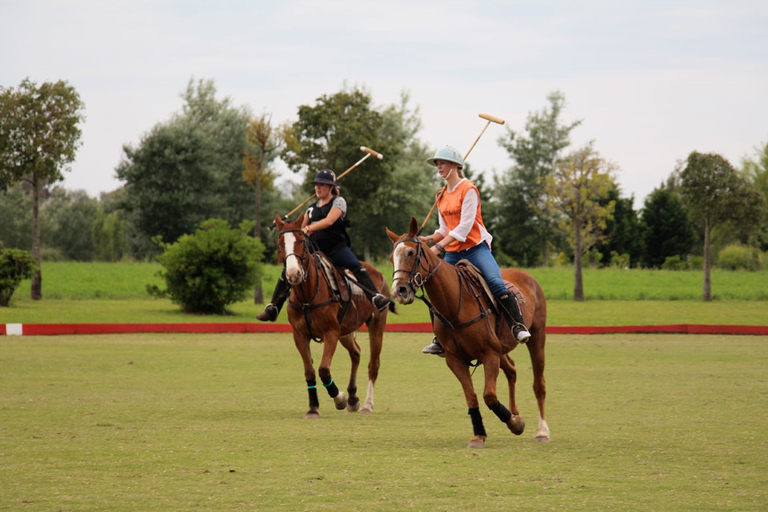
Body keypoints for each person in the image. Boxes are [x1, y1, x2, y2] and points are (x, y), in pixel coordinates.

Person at [420, 146, 531, 355]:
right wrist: (427, 239)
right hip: (452, 251)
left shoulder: (468, 189)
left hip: (474, 249)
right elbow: (444, 230)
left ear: (454, 165)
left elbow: (464, 226)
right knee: (438, 290)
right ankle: (439, 338)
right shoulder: (441, 194)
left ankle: (517, 326)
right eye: (437, 164)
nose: (438, 167)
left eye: (442, 163)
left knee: (496, 282)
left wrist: (438, 247)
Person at [256, 169, 390, 321]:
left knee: (356, 266)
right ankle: (273, 308)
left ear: (331, 187)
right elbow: (299, 228)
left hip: (336, 249)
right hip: (315, 251)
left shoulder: (338, 202)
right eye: (317, 185)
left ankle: (375, 297)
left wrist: (309, 228)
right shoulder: (311, 208)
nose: (318, 188)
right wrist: (283, 225)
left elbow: (329, 221)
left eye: (322, 185)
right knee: (288, 270)